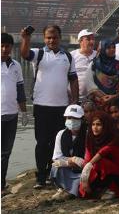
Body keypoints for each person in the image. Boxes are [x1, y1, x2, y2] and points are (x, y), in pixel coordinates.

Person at [20, 25, 79, 189]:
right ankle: (41, 175)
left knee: (57, 142)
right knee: (41, 142)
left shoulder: (67, 56)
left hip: (61, 107)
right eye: (48, 37)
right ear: (44, 38)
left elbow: (73, 79)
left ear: (60, 38)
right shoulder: (39, 54)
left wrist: (74, 101)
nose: (51, 40)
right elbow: (24, 54)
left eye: (54, 37)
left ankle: (52, 173)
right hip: (41, 106)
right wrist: (25, 38)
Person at [1, 33, 27, 195]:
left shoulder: (16, 65)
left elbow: (20, 90)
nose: (4, 49)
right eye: (1, 45)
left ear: (11, 47)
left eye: (7, 46)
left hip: (11, 115)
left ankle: (1, 185)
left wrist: (24, 112)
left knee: (5, 152)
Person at [79, 111, 119, 199]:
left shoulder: (114, 138)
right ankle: (97, 190)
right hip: (96, 169)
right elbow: (87, 159)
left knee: (100, 162)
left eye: (98, 124)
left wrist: (88, 167)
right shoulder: (90, 138)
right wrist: (85, 179)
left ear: (105, 126)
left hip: (115, 173)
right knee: (83, 190)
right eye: (93, 124)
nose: (95, 128)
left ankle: (111, 189)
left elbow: (102, 153)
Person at [50, 104, 86, 201]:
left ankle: (71, 191)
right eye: (69, 118)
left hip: (82, 168)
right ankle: (63, 188)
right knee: (55, 168)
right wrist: (69, 161)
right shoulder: (61, 134)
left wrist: (78, 162)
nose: (72, 120)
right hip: (67, 166)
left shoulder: (87, 134)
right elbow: (57, 157)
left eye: (75, 118)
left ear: (82, 119)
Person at [85, 39, 119, 110]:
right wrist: (103, 97)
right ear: (102, 49)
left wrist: (115, 97)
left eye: (114, 47)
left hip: (117, 104)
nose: (112, 49)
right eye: (108, 48)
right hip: (99, 103)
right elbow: (89, 83)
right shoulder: (94, 65)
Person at [71, 29, 97, 103]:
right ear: (80, 41)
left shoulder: (99, 55)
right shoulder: (72, 56)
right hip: (76, 99)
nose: (92, 42)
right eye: (88, 39)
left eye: (93, 39)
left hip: (95, 100)